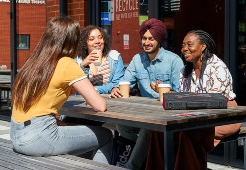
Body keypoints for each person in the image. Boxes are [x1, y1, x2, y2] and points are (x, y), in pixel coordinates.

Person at [10, 16, 113, 164]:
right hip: (37, 138)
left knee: (76, 130)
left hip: (16, 135)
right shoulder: (66, 63)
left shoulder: (33, 62)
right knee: (105, 135)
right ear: (71, 41)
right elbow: (100, 106)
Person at [145, 30, 240, 170]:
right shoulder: (185, 71)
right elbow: (186, 99)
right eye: (183, 45)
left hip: (223, 116)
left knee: (188, 132)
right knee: (159, 130)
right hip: (195, 117)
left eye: (190, 44)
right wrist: (165, 92)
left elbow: (214, 102)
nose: (184, 49)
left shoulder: (217, 67)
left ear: (203, 47)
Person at [109, 18, 184, 169]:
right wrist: (115, 89)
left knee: (147, 128)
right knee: (121, 125)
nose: (147, 42)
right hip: (145, 114)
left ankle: (131, 166)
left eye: (151, 38)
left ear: (159, 39)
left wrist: (165, 91)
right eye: (144, 38)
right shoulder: (138, 59)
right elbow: (125, 82)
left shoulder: (174, 61)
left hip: (167, 117)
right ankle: (144, 157)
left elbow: (181, 93)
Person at [61, 25, 124, 126]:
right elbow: (75, 85)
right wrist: (84, 65)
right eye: (92, 39)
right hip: (83, 105)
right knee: (71, 121)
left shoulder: (114, 57)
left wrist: (96, 90)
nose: (97, 41)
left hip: (109, 105)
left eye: (100, 37)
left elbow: (116, 84)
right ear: (85, 43)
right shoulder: (78, 62)